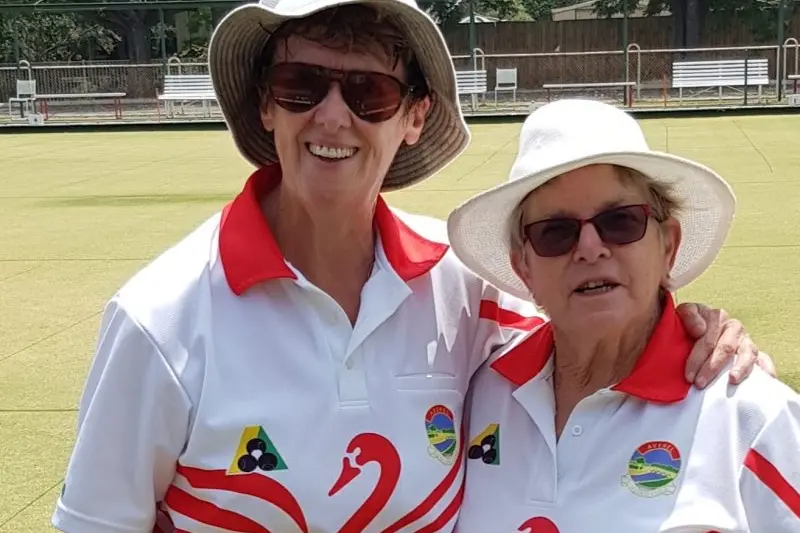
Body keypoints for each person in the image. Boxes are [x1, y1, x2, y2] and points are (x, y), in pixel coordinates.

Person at [51, 0, 774, 531]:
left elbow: (593, 313)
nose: (333, 117)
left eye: (369, 92)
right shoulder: (158, 317)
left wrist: (700, 330)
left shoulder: (465, 288)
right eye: (303, 85)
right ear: (267, 104)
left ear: (415, 117)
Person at [447, 99, 799, 533]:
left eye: (620, 221)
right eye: (555, 232)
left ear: (667, 246)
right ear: (524, 270)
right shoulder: (480, 393)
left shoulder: (751, 415)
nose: (591, 248)